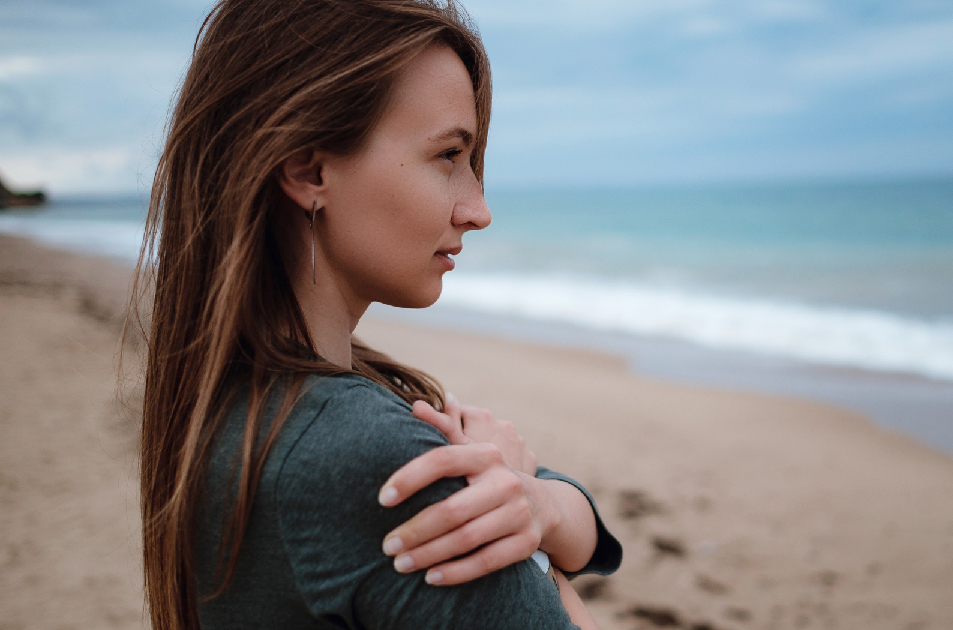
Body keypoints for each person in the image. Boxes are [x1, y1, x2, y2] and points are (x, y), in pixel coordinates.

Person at [130, 1, 621, 628]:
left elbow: (592, 534)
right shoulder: (375, 457)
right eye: (448, 155)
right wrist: (541, 561)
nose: (477, 208)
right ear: (309, 168)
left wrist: (542, 506)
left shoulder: (230, 403)